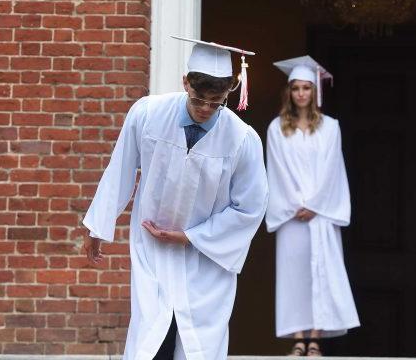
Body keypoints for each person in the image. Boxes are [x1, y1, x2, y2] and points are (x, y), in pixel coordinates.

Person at [81, 36, 269, 360]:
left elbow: (250, 206)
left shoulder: (242, 140)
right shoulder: (148, 114)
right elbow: (120, 169)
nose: (206, 110)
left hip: (205, 259)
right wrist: (98, 227)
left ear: (229, 94)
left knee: (195, 345)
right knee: (152, 342)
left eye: (217, 103)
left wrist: (192, 237)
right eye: (199, 100)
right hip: (153, 251)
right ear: (185, 83)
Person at [265, 56, 359, 357]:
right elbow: (276, 170)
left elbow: (333, 170)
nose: (302, 94)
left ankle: (315, 339)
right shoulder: (277, 129)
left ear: (315, 91)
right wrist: (296, 205)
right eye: (296, 88)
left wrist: (316, 205)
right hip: (292, 216)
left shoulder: (330, 128)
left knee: (322, 273)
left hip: (321, 215)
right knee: (295, 277)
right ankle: (297, 338)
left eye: (307, 88)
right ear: (289, 92)